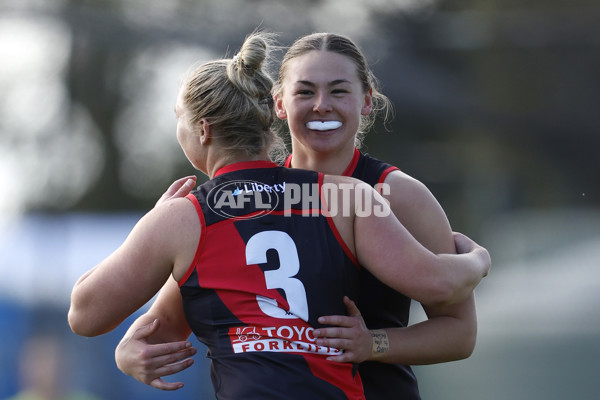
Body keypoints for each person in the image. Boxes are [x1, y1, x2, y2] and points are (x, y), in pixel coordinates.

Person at [68, 32, 489, 400]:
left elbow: (458, 329)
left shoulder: (387, 194)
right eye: (305, 91)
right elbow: (168, 314)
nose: (321, 105)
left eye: (338, 91)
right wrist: (129, 349)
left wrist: (374, 344)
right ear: (276, 107)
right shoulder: (347, 198)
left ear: (366, 101)